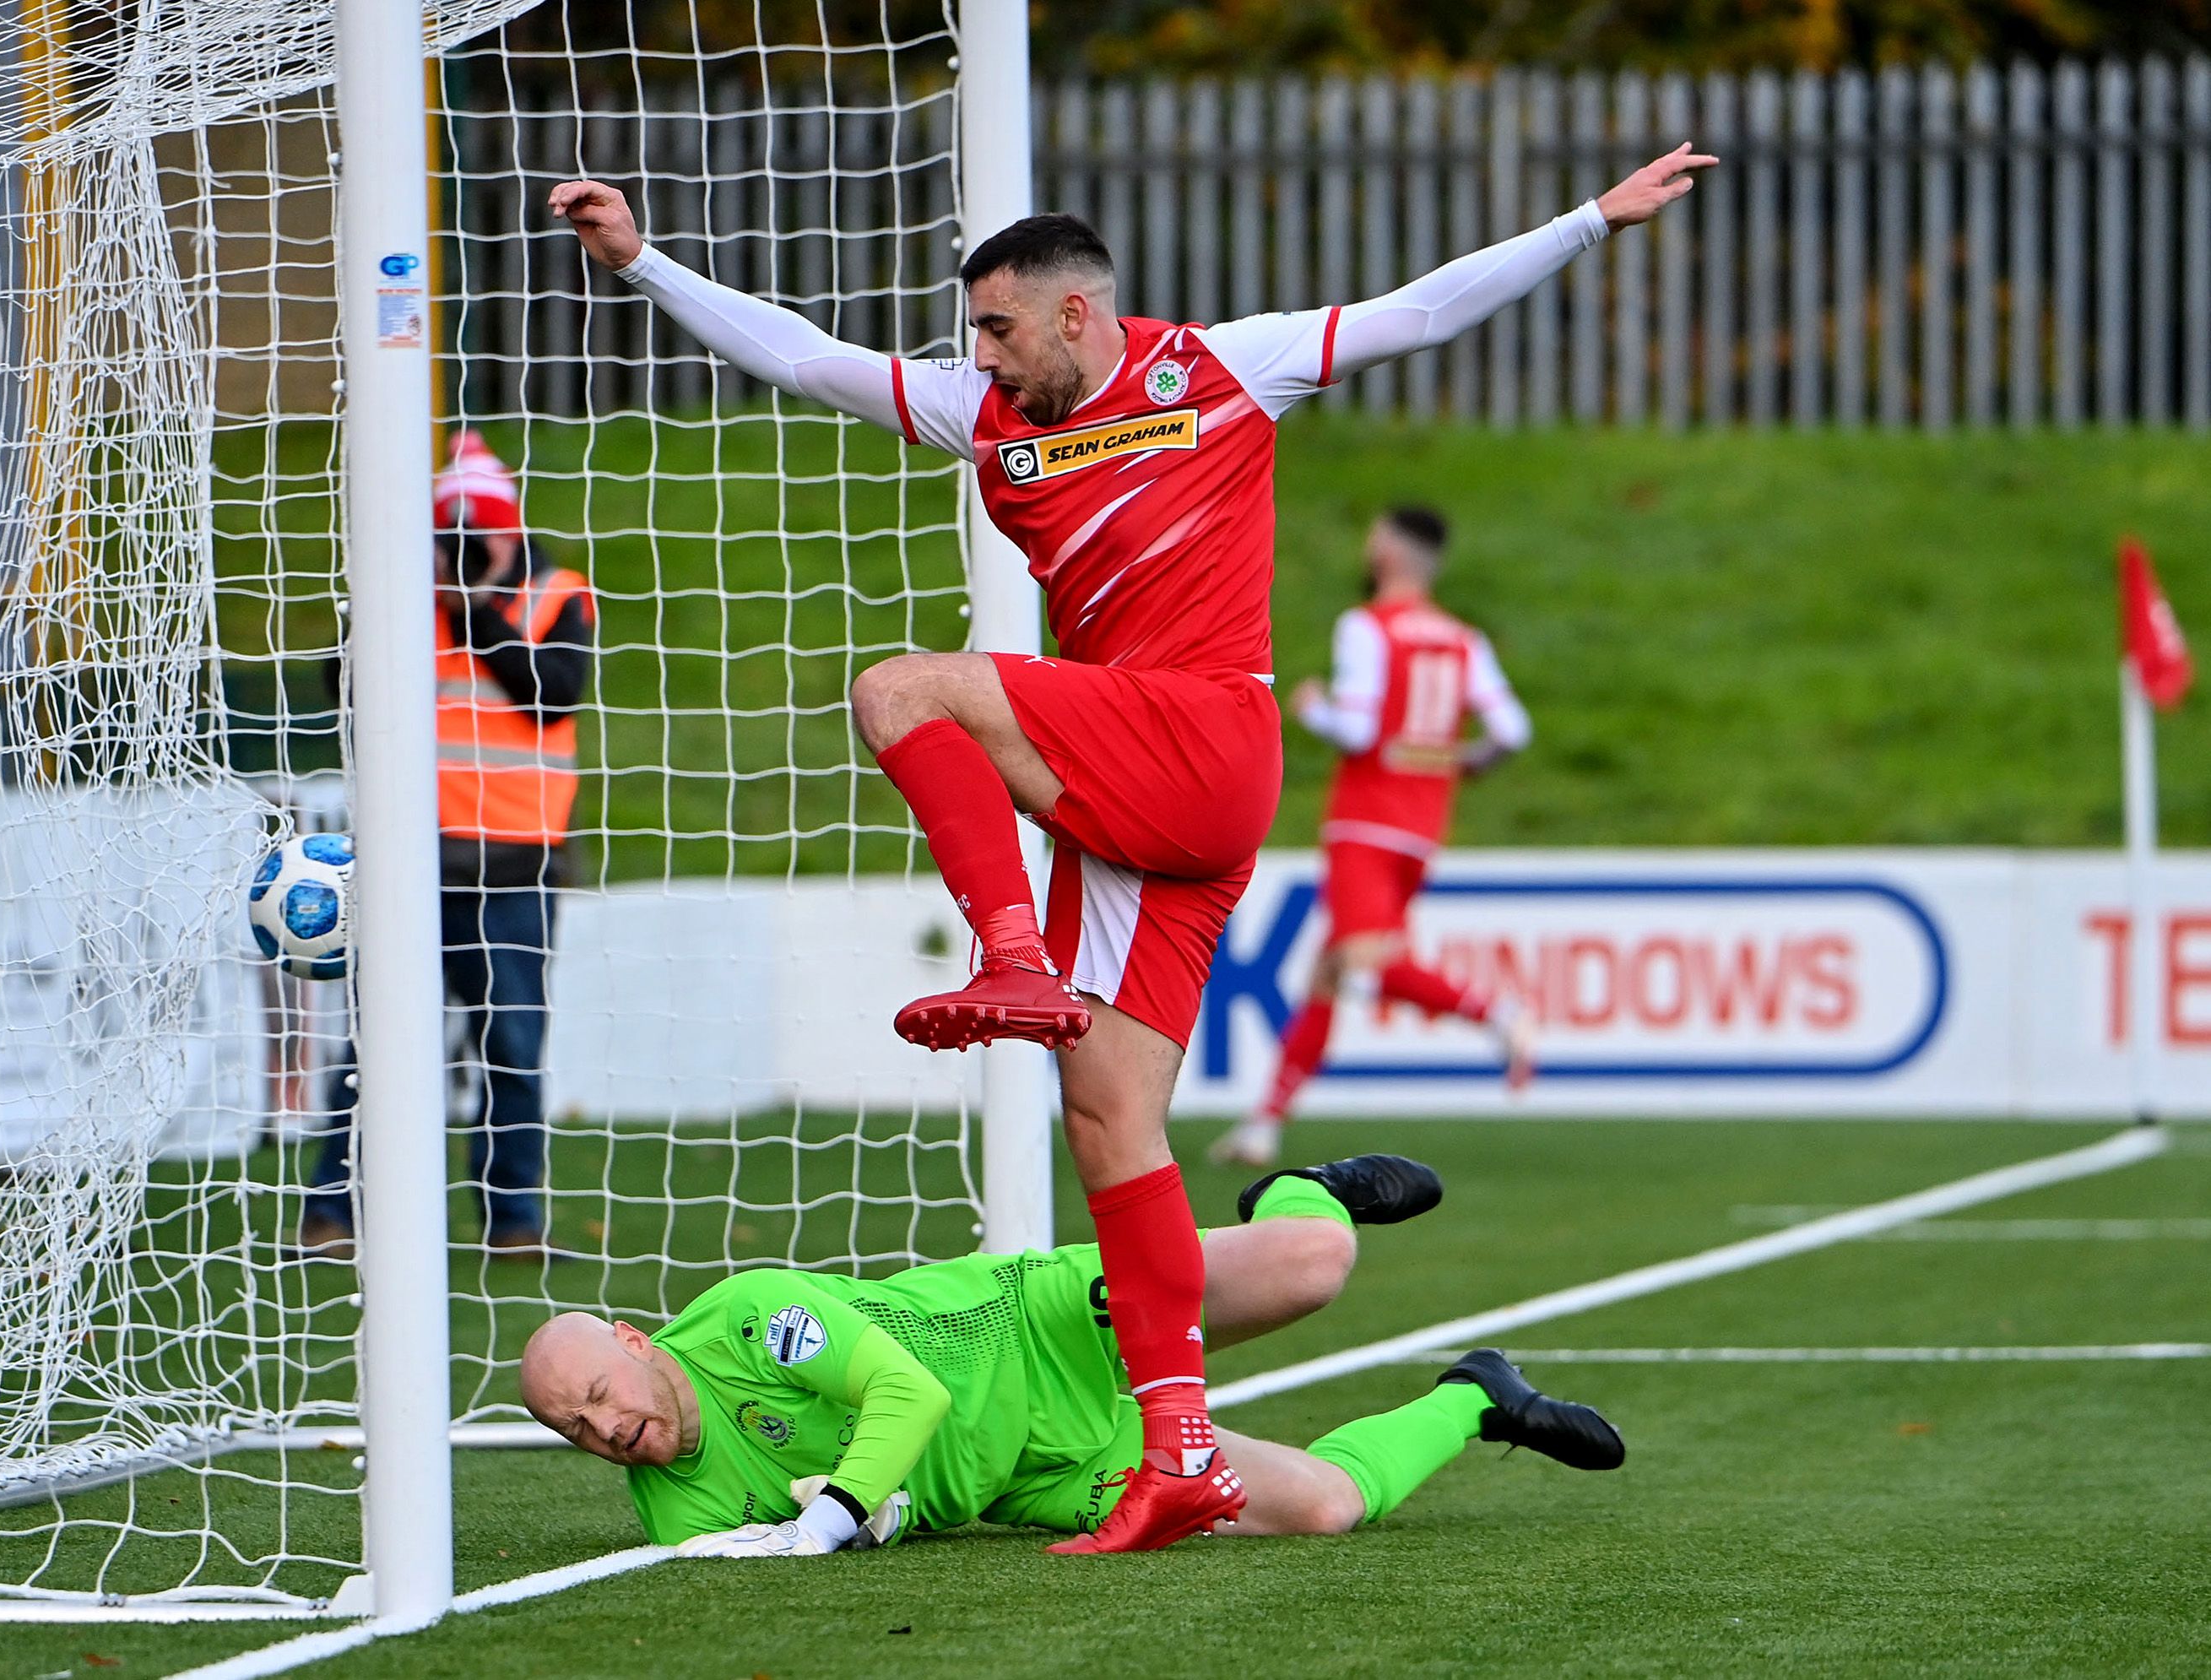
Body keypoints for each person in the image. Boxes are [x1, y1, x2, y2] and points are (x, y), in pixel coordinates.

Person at [549, 141, 1710, 1550]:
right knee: (1109, 1126)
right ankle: (1176, 1454)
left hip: (1205, 738)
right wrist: (642, 264)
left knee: (900, 687)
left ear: (1078, 313)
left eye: (996, 324)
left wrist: (1591, 220)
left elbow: (1420, 308)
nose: (977, 350)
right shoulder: (984, 413)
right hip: (1123, 799)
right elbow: (802, 359)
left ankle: (1012, 954)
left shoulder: (1225, 368)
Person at [519, 1154, 1623, 1554]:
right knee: (1328, 1507)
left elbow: (907, 1392)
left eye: (601, 1395)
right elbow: (849, 1519)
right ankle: (1481, 1396)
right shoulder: (675, 1509)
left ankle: (1307, 1186)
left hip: (1039, 1324)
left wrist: (839, 1510)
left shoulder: (750, 1315)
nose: (607, 1429)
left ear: (633, 1339)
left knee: (1313, 1264)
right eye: (576, 1430)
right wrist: (882, 1516)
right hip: (1046, 1466)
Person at [300, 431, 597, 1261]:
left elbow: (553, 694)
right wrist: (391, 594)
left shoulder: (555, 593)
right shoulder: (408, 598)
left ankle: (513, 1226)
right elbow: (342, 686)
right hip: (412, 864)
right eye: (450, 540)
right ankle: (330, 1211)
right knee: (378, 1043)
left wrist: (476, 609)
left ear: (510, 531)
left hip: (514, 866)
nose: (465, 554)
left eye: (478, 538)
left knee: (513, 1049)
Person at [1211, 507, 1536, 1171]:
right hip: (1420, 828)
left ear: (1386, 551)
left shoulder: (1366, 627)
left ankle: (1499, 1015)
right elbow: (1512, 729)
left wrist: (1311, 711)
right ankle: (1263, 1125)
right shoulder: (1460, 638)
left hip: (1364, 821)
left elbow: (1358, 733)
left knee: (1364, 963)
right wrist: (1462, 762)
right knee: (1330, 973)